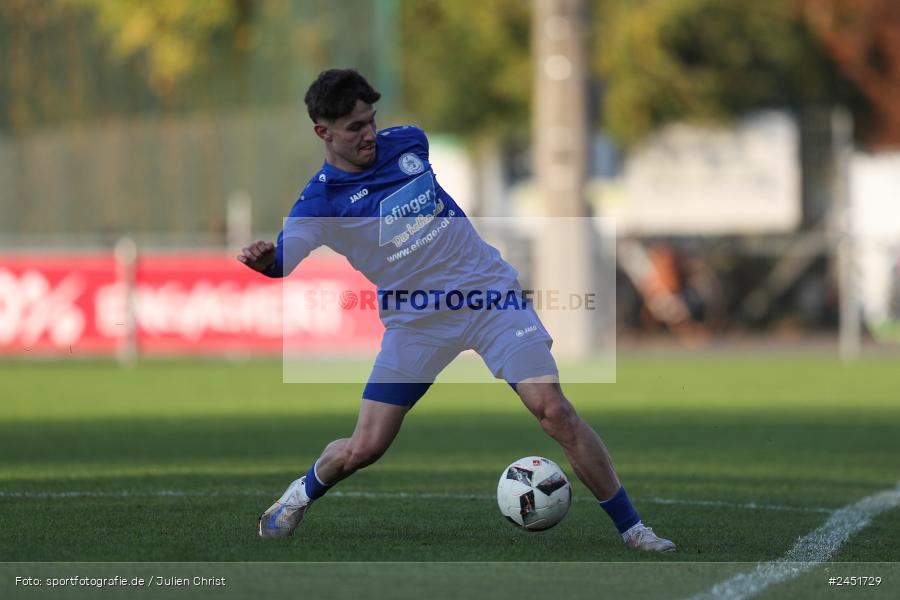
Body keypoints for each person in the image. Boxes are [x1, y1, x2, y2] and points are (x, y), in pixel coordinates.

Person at [237, 68, 675, 552]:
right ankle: (298, 495)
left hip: (490, 296)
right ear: (323, 132)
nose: (369, 134)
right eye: (355, 127)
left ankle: (635, 531)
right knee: (366, 447)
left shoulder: (409, 144)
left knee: (554, 410)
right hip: (416, 322)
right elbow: (286, 257)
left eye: (371, 120)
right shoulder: (321, 201)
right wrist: (268, 262)